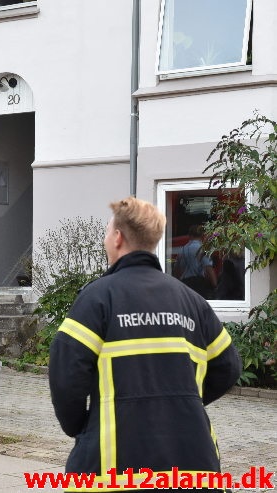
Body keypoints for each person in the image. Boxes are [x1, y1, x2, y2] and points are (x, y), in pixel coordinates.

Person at [49, 196, 241, 491]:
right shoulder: (192, 301)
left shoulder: (97, 298)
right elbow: (228, 367)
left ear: (117, 238)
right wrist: (180, 402)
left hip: (114, 466)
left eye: (106, 232)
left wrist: (82, 428)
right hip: (193, 465)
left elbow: (66, 376)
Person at [174, 224, 217, 299]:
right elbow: (208, 268)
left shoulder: (183, 249)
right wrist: (215, 285)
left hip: (186, 283)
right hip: (199, 284)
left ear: (190, 235)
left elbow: (177, 270)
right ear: (202, 235)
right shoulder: (203, 249)